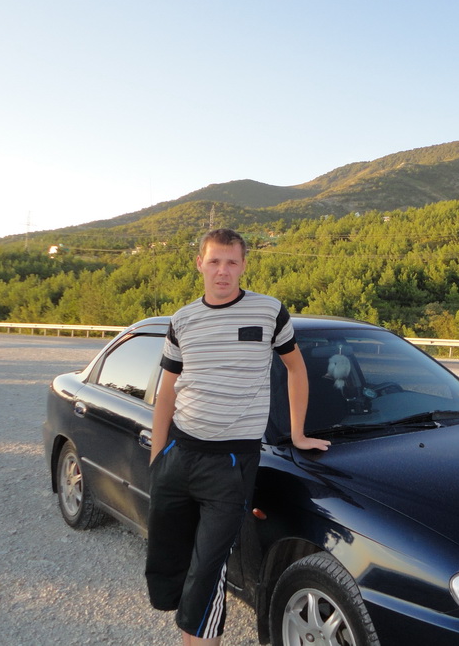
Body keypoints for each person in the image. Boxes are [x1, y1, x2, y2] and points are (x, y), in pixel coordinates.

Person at [144, 228, 330, 646]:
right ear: (200, 264)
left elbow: (296, 369)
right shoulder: (182, 319)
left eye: (231, 262)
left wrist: (298, 433)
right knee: (168, 559)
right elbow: (166, 393)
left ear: (244, 265)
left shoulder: (268, 312)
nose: (223, 271)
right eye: (214, 261)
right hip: (179, 454)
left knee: (209, 570)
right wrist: (158, 459)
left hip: (230, 464)